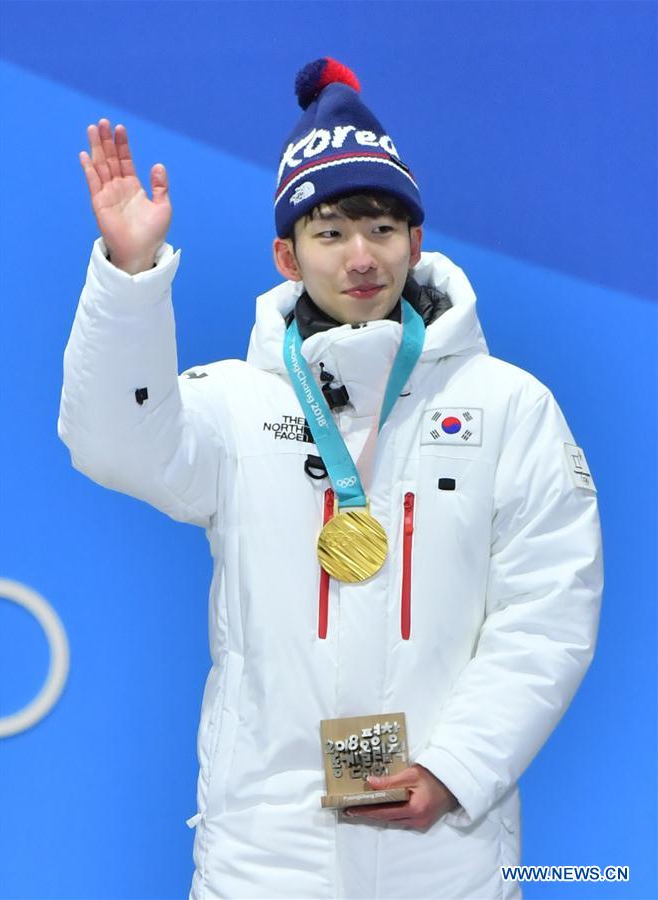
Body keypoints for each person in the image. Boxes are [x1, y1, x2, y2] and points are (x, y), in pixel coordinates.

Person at [59, 57, 603, 900]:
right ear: (286, 253)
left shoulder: (507, 407)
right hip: (263, 863)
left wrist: (456, 770)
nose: (362, 256)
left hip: (447, 858)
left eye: (384, 228)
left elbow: (549, 610)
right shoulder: (235, 405)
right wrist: (131, 279)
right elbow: (113, 445)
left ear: (416, 242)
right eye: (331, 230)